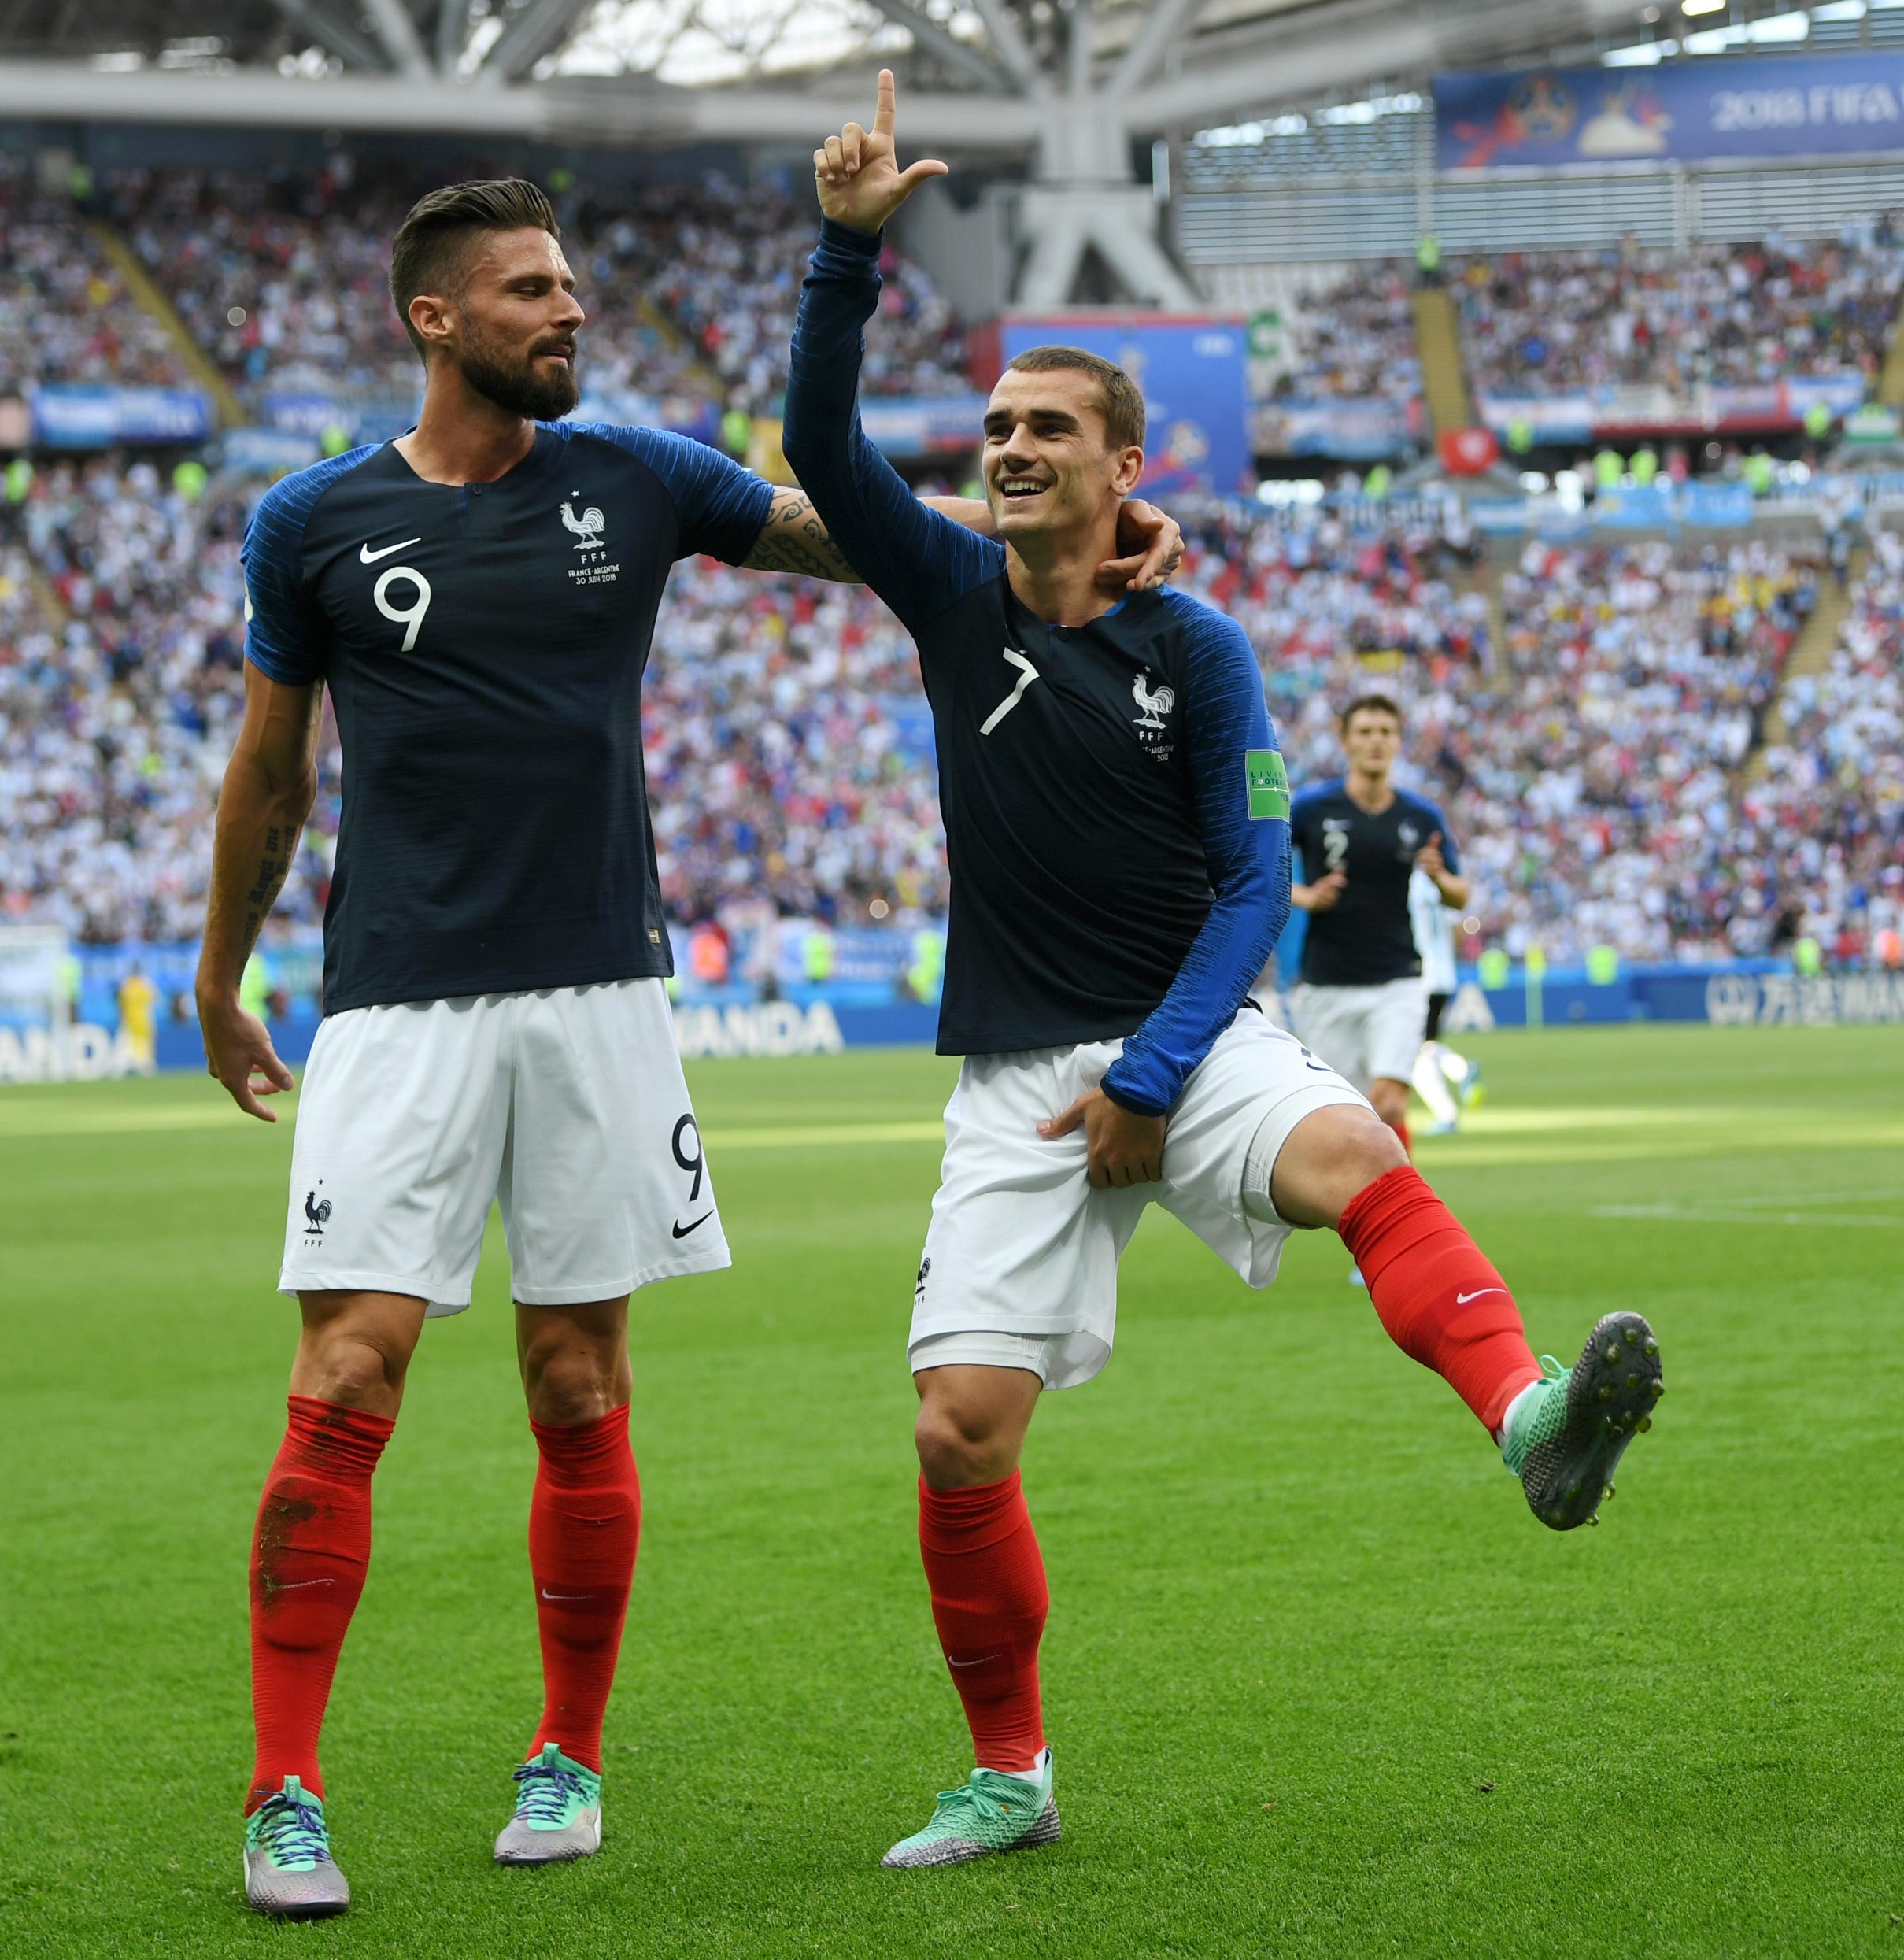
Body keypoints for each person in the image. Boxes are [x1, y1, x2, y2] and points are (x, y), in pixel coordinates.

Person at [194, 175, 1188, 1918]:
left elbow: (851, 526)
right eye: (528, 291)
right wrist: (218, 974)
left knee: (577, 1383)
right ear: (436, 319)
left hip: (599, 993)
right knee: (348, 1370)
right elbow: (272, 771)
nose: (568, 311)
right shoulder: (313, 522)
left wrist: (1055, 532)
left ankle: (565, 1754)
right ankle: (284, 1791)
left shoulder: (638, 476)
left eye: (571, 286)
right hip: (392, 1000)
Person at [785, 73, 1665, 1873]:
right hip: (1019, 1072)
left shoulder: (1204, 647)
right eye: (1000, 421)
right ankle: (1010, 1770)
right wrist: (843, 252)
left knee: (1361, 1160)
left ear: (1127, 470)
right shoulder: (949, 595)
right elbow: (821, 440)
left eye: (1049, 427)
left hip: (1195, 1029)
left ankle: (1531, 1420)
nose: (1010, 443)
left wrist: (1161, 1073)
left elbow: (1259, 873)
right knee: (959, 1435)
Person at [1288, 697, 1462, 1158]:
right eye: (1365, 731)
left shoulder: (1420, 817)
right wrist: (1307, 896)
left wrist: (1440, 877)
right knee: (1346, 1119)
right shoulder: (1310, 808)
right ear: (1345, 741)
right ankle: (1364, 1211)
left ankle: (1405, 1214)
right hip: (1328, 983)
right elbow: (1256, 868)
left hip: (1399, 979)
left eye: (1386, 731)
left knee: (1388, 1105)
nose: (1376, 741)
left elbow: (1460, 893)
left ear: (1398, 741)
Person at [1407, 864, 1477, 1135]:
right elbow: (1459, 930)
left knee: (1414, 1050)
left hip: (1418, 975)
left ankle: (1447, 1111)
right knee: (1424, 1044)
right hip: (1443, 974)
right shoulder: (1440, 884)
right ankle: (1460, 1071)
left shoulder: (1406, 884)